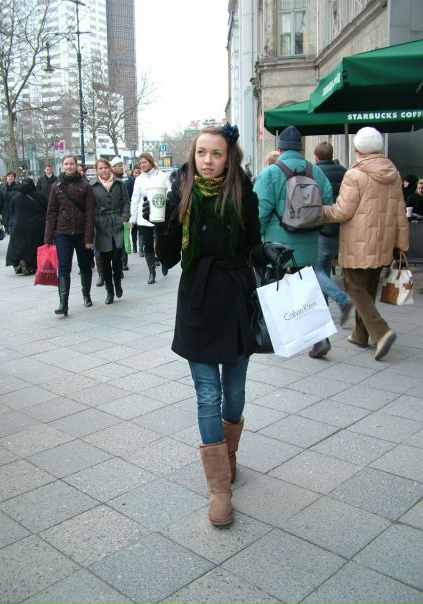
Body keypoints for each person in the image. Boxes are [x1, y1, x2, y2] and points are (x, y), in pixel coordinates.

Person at [146, 123, 280, 527]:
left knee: (233, 393)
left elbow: (251, 246)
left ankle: (229, 454)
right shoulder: (180, 192)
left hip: (236, 298)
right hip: (197, 300)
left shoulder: (243, 192)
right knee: (208, 394)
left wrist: (268, 251)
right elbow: (169, 258)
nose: (207, 160)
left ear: (228, 157)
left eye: (215, 154)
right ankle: (219, 487)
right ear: (193, 155)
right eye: (201, 153)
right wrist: (163, 223)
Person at [322, 127, 409, 361]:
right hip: (383, 243)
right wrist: (402, 244)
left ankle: (381, 333)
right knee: (368, 289)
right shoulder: (393, 173)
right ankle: (360, 335)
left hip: (358, 244)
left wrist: (320, 211)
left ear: (358, 149)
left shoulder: (355, 174)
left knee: (354, 288)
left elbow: (342, 211)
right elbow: (400, 211)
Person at [254, 125, 334, 358]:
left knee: (274, 288)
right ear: (300, 148)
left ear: (280, 148)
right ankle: (320, 338)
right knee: (306, 290)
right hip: (310, 243)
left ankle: (278, 335)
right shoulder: (316, 171)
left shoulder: (270, 173)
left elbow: (259, 211)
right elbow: (327, 202)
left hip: (278, 247)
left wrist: (258, 238)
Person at [44, 154, 96, 317]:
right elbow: (51, 212)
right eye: (66, 164)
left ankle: (86, 295)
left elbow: (90, 213)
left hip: (81, 232)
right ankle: (63, 303)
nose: (69, 166)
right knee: (64, 267)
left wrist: (89, 238)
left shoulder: (85, 185)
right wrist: (48, 237)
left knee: (85, 265)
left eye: (71, 164)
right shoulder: (56, 186)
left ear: (76, 165)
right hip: (63, 232)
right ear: (62, 165)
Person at [313, 141, 353, 326]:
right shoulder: (345, 172)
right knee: (324, 269)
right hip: (339, 229)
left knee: (316, 270)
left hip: (321, 228)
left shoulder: (314, 172)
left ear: (316, 157)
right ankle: (323, 311)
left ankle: (342, 299)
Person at [91, 158, 130, 304]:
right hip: (101, 224)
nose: (103, 170)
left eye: (105, 168)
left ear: (110, 168)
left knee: (117, 258)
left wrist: (125, 216)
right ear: (97, 171)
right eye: (100, 168)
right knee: (105, 260)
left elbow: (126, 201)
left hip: (117, 222)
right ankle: (109, 290)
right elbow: (90, 206)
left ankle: (117, 281)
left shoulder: (120, 184)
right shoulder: (92, 186)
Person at [130, 152, 170, 284]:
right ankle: (151, 271)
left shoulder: (162, 175)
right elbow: (135, 199)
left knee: (161, 242)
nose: (142, 165)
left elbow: (169, 193)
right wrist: (133, 218)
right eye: (140, 163)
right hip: (144, 216)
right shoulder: (139, 179)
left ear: (151, 162)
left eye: (144, 162)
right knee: (147, 245)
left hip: (160, 215)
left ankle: (164, 262)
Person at [6, 178, 47, 275]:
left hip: (20, 225)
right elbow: (47, 207)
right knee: (35, 245)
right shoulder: (40, 195)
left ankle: (19, 261)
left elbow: (12, 210)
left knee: (19, 245)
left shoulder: (16, 197)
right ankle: (32, 265)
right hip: (37, 226)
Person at [111, 156, 131, 271]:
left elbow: (126, 200)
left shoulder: (125, 180)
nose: (122, 167)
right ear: (113, 167)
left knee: (124, 239)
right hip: (112, 215)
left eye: (122, 165)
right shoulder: (111, 180)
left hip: (122, 215)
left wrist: (126, 215)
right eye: (119, 165)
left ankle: (123, 262)